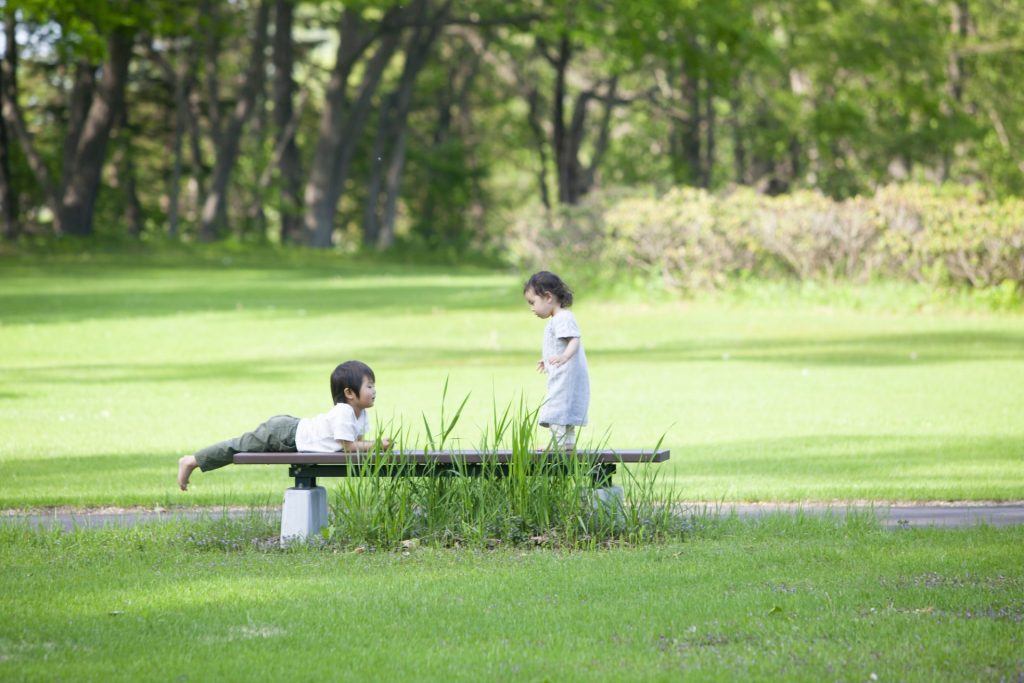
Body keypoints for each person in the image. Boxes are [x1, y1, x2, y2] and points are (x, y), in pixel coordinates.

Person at [177, 360, 390, 490]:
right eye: (369, 386)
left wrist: (373, 446)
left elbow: (357, 445)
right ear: (349, 393)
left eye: (374, 386)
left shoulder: (360, 413)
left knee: (240, 444)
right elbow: (349, 447)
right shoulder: (344, 411)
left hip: (294, 431)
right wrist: (378, 445)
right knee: (238, 446)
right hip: (284, 434)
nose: (374, 391)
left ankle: (193, 460)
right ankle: (191, 461)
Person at [523, 271, 590, 449]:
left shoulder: (562, 318)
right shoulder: (559, 318)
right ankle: (567, 444)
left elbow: (573, 340)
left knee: (557, 408)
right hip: (563, 375)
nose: (531, 308)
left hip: (565, 377)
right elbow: (558, 344)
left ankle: (559, 445)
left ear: (548, 297)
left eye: (533, 302)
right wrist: (547, 360)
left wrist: (564, 357)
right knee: (562, 409)